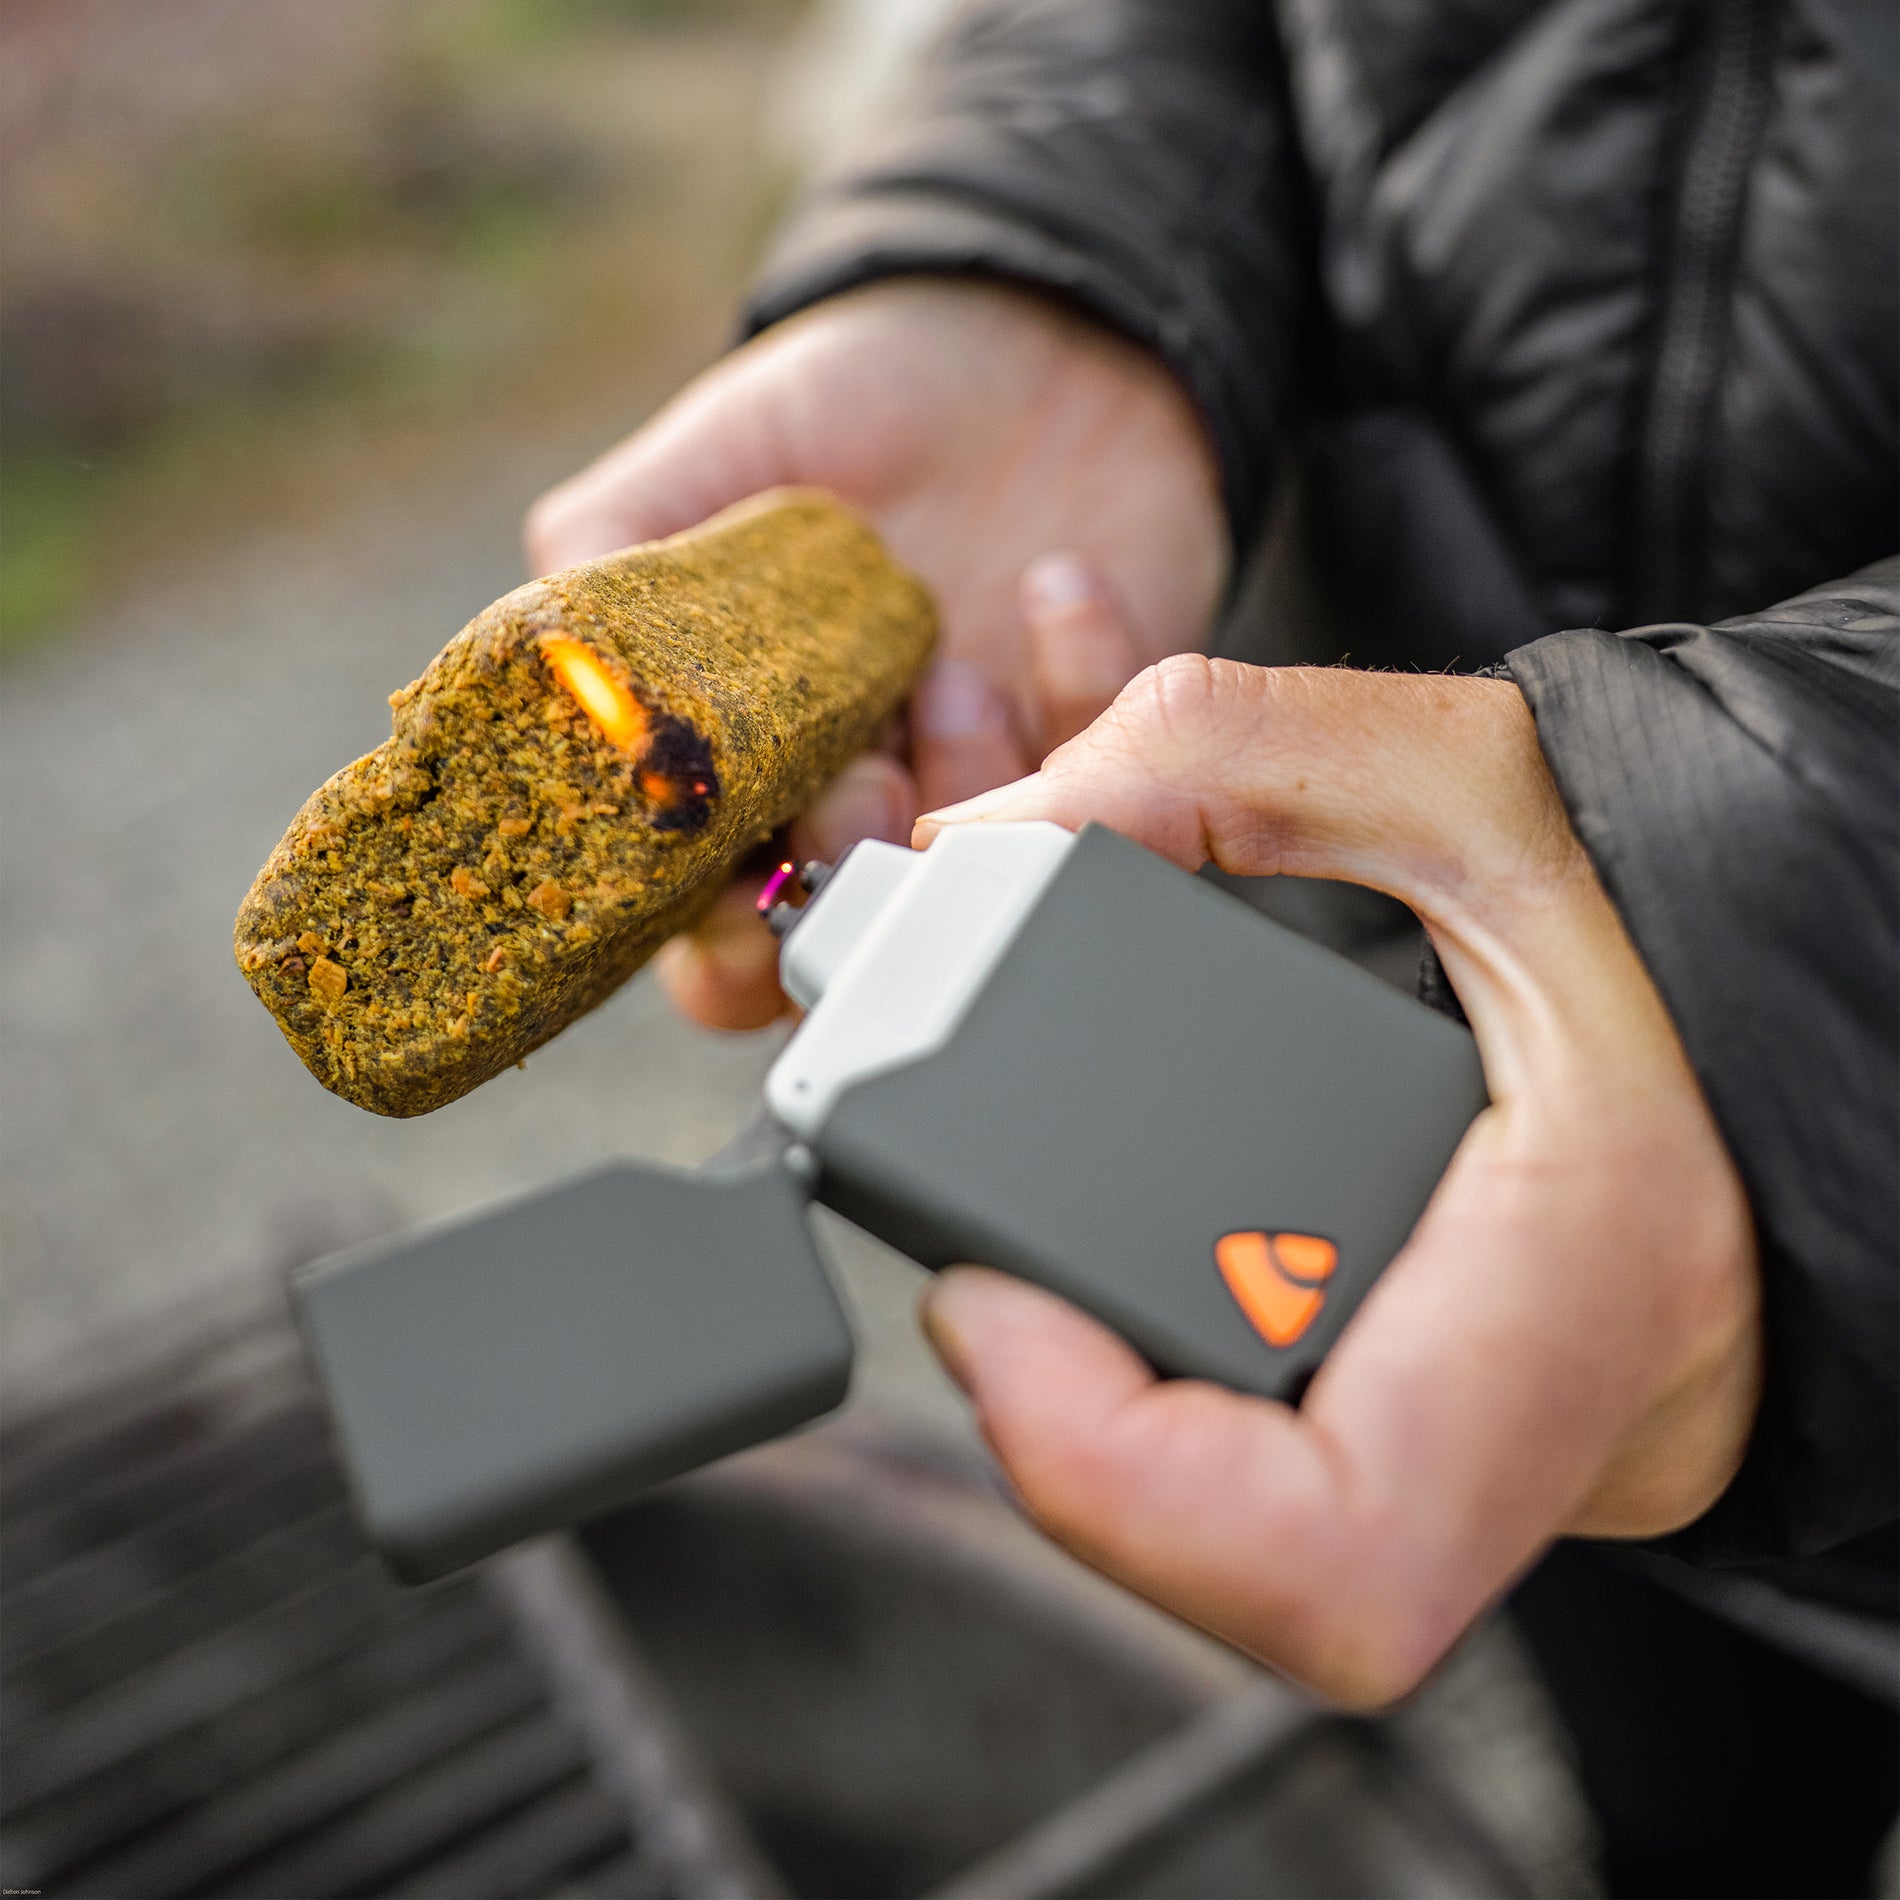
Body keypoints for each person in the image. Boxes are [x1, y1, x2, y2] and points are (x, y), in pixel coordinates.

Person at [527, 4, 1898, 1890]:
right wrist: (1055, 244)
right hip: (1473, 1143)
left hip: (1602, 1137)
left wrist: (1808, 987)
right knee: (1687, 1810)